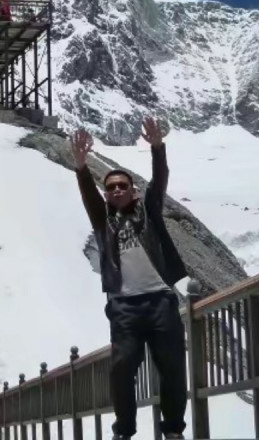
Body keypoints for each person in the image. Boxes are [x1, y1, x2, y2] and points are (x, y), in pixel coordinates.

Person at [70, 117, 187, 440]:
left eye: (122, 185)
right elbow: (88, 196)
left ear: (133, 191)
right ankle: (124, 431)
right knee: (121, 369)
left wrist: (158, 148)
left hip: (160, 301)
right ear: (106, 195)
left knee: (173, 367)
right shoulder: (102, 220)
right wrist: (81, 166)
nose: (117, 189)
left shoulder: (149, 210)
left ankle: (173, 430)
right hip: (124, 307)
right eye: (111, 187)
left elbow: (159, 180)